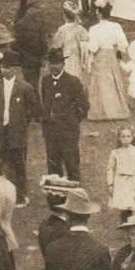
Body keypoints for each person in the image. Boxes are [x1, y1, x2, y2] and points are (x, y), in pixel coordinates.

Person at [0, 51, 38, 202]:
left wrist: (20, 123)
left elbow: (31, 109)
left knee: (18, 163)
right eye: (2, 67)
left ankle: (20, 196)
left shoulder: (25, 87)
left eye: (7, 67)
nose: (4, 70)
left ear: (15, 68)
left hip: (16, 131)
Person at [38, 48, 90, 182]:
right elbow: (45, 101)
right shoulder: (46, 80)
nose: (53, 66)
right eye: (51, 63)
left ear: (63, 64)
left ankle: (75, 197)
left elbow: (84, 105)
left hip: (68, 132)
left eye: (56, 63)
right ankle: (56, 198)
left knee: (71, 164)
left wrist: (72, 121)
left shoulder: (72, 81)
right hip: (50, 131)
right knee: (53, 166)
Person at [83, 0, 130, 120]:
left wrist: (84, 45)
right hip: (111, 55)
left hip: (100, 55)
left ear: (99, 13)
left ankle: (102, 111)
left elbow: (93, 47)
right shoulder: (116, 26)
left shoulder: (95, 29)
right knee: (112, 80)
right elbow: (124, 44)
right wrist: (117, 51)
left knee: (101, 81)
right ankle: (115, 110)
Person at [107, 125, 135, 216]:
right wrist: (110, 184)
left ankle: (132, 224)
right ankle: (124, 223)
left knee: (131, 204)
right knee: (123, 206)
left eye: (128, 136)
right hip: (120, 181)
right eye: (123, 136)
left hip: (133, 181)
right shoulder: (115, 152)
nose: (126, 139)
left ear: (132, 138)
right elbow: (110, 169)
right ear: (119, 138)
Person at [52, 1, 89, 79]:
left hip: (66, 53)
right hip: (76, 54)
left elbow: (56, 44)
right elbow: (87, 37)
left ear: (65, 16)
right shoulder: (79, 28)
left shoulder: (62, 29)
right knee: (76, 71)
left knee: (67, 70)